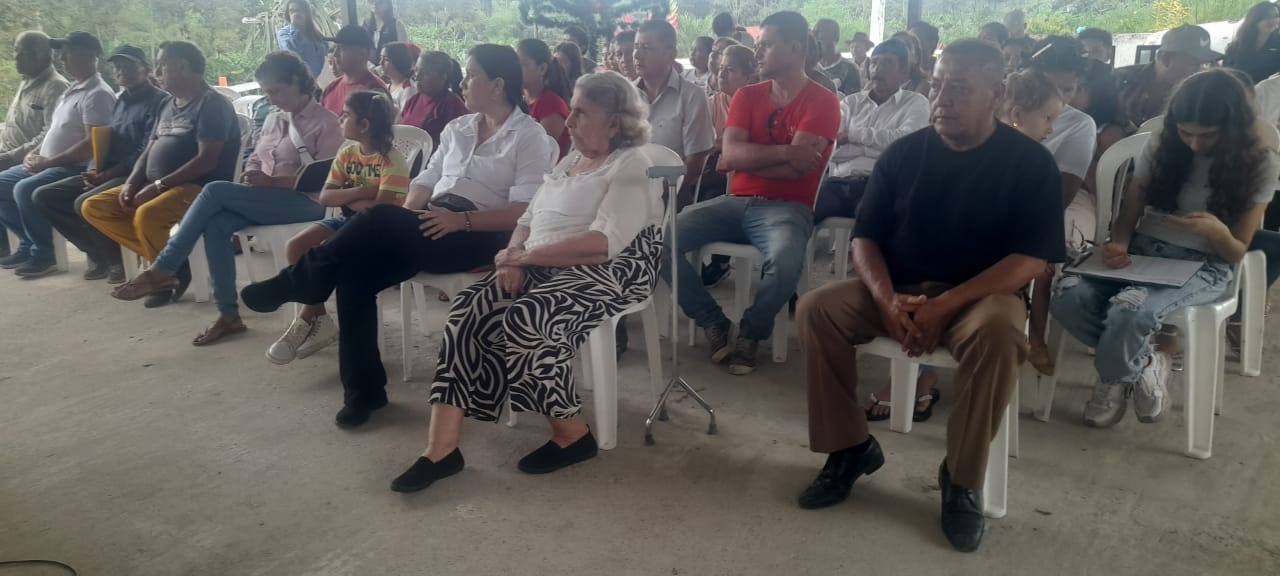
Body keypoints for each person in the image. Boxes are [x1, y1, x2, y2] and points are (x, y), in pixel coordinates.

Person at [796, 40, 1064, 553]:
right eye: (937, 86)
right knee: (817, 309)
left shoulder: (1029, 162)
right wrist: (887, 300)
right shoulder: (903, 154)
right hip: (899, 289)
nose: (942, 100)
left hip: (980, 298)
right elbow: (864, 239)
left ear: (996, 95)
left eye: (959, 88)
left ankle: (961, 479)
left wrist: (944, 306)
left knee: (1000, 334)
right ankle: (849, 447)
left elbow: (1032, 260)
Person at [242, 45, 554, 428]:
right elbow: (425, 180)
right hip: (430, 221)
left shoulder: (529, 136)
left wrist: (461, 221)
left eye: (471, 74)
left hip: (480, 234)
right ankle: (364, 394)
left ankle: (298, 281)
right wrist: (407, 218)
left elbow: (525, 209)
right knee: (354, 277)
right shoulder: (458, 129)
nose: (463, 82)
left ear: (498, 84)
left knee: (377, 216)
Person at [386, 70, 662, 494]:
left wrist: (525, 257)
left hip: (613, 268)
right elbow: (528, 218)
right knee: (467, 311)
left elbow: (605, 243)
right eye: (571, 110)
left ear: (614, 122)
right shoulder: (570, 160)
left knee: (528, 317)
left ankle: (572, 434)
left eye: (581, 113)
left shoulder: (632, 165)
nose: (568, 121)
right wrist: (511, 259)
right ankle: (441, 449)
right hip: (543, 259)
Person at [1050, 69, 1277, 429]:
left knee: (1129, 310)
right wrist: (1119, 243)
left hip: (1206, 262)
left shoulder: (1261, 163)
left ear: (1233, 127)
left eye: (1207, 135)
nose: (1194, 144)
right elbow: (1129, 212)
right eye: (1185, 132)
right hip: (1144, 252)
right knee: (1066, 294)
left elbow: (1236, 252)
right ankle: (1142, 365)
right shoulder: (1161, 144)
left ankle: (1112, 380)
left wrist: (1216, 232)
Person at [107, 52, 344, 345]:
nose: (271, 99)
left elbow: (328, 178)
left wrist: (273, 182)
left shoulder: (326, 122)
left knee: (214, 190)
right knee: (216, 223)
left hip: (308, 202)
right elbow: (256, 155)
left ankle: (164, 267)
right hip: (266, 197)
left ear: (296, 82)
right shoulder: (274, 118)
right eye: (267, 93)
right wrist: (253, 171)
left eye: (276, 91)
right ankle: (228, 315)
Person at [661, 11, 839, 375]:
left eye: (766, 45)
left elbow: (798, 170)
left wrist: (747, 160)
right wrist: (786, 152)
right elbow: (730, 156)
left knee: (785, 262)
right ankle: (713, 320)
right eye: (758, 45)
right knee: (660, 241)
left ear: (795, 48)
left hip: (787, 208)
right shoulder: (747, 96)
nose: (757, 52)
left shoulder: (822, 100)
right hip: (734, 203)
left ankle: (752, 332)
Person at [80, 41, 240, 308]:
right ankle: (174, 267)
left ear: (183, 66)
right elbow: (149, 149)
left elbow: (206, 160)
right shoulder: (168, 105)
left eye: (161, 65)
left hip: (199, 188)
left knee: (147, 215)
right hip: (157, 184)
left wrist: (157, 186)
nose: (156, 72)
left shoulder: (212, 104)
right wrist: (132, 183)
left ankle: (164, 272)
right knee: (95, 207)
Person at [31, 45, 168, 284]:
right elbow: (103, 140)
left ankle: (117, 260)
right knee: (44, 196)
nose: (121, 71)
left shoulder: (159, 102)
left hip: (137, 174)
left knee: (84, 203)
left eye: (128, 66)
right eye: (117, 68)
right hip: (108, 170)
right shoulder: (121, 100)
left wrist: (107, 174)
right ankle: (98, 253)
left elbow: (146, 151)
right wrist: (93, 170)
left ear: (146, 69)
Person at [0, 32, 114, 277]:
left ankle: (44, 254)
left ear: (90, 56)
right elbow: (52, 130)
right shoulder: (72, 90)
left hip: (75, 166)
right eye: (62, 53)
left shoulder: (98, 94)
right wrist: (34, 154)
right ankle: (28, 243)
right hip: (49, 162)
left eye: (68, 53)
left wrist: (48, 162)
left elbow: (91, 144)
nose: (62, 59)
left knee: (24, 189)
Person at [818, 39, 929, 225]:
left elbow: (906, 145)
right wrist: (878, 150)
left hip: (882, 186)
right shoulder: (850, 103)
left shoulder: (916, 103)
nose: (878, 69)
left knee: (872, 222)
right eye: (874, 63)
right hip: (838, 183)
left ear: (904, 71)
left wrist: (853, 136)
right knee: (801, 213)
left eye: (887, 63)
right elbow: (830, 149)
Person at [0, 32, 69, 258]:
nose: (16, 58)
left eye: (24, 53)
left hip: (33, 160)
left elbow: (49, 133)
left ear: (45, 56)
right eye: (16, 52)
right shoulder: (26, 82)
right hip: (10, 154)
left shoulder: (56, 86)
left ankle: (34, 246)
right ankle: (16, 243)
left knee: (7, 186)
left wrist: (11, 156)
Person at [633, 19, 713, 207]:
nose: (637, 54)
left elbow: (694, 164)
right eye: (636, 47)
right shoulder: (624, 95)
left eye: (646, 48)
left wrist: (652, 192)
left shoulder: (692, 97)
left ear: (671, 54)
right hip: (621, 192)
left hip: (669, 199)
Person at [1114, 24, 1221, 127]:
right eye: (1193, 63)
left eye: (1205, 64)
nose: (1199, 70)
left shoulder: (1198, 94)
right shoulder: (1119, 79)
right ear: (1164, 58)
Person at [400, 51, 467, 148]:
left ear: (443, 77)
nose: (417, 77)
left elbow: (455, 145)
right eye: (417, 70)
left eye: (425, 73)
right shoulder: (413, 100)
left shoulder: (452, 105)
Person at [518, 38, 572, 159]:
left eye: (523, 64)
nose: (516, 70)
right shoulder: (519, 100)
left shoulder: (551, 104)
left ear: (542, 68)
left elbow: (536, 152)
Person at [320, 25, 389, 116]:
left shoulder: (374, 92)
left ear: (363, 53)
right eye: (336, 48)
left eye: (343, 49)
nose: (335, 54)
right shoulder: (331, 88)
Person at [1224, 2, 1280, 84]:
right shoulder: (1236, 46)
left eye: (1276, 16)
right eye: (1268, 17)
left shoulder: (1277, 43)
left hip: (1268, 89)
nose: (1273, 20)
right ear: (1255, 19)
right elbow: (1226, 73)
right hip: (1240, 88)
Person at [277, 0, 329, 77]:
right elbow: (293, 54)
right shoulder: (284, 33)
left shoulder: (315, 33)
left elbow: (326, 52)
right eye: (292, 10)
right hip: (298, 80)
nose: (296, 13)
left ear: (306, 12)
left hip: (317, 79)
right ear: (288, 14)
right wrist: (295, 27)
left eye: (299, 10)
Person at [812, 20, 860, 96]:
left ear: (835, 36)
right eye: (814, 33)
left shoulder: (850, 69)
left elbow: (852, 101)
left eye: (820, 32)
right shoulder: (809, 67)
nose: (816, 36)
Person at [363, 0, 408, 65]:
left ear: (387, 4)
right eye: (372, 1)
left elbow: (403, 53)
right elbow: (360, 50)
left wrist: (383, 66)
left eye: (379, 2)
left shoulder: (397, 25)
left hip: (390, 68)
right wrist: (370, 66)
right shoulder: (365, 25)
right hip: (368, 68)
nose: (375, 4)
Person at [381, 41, 419, 111]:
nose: (380, 63)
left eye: (386, 59)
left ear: (398, 61)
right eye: (381, 58)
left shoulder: (408, 90)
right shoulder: (386, 85)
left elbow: (405, 116)